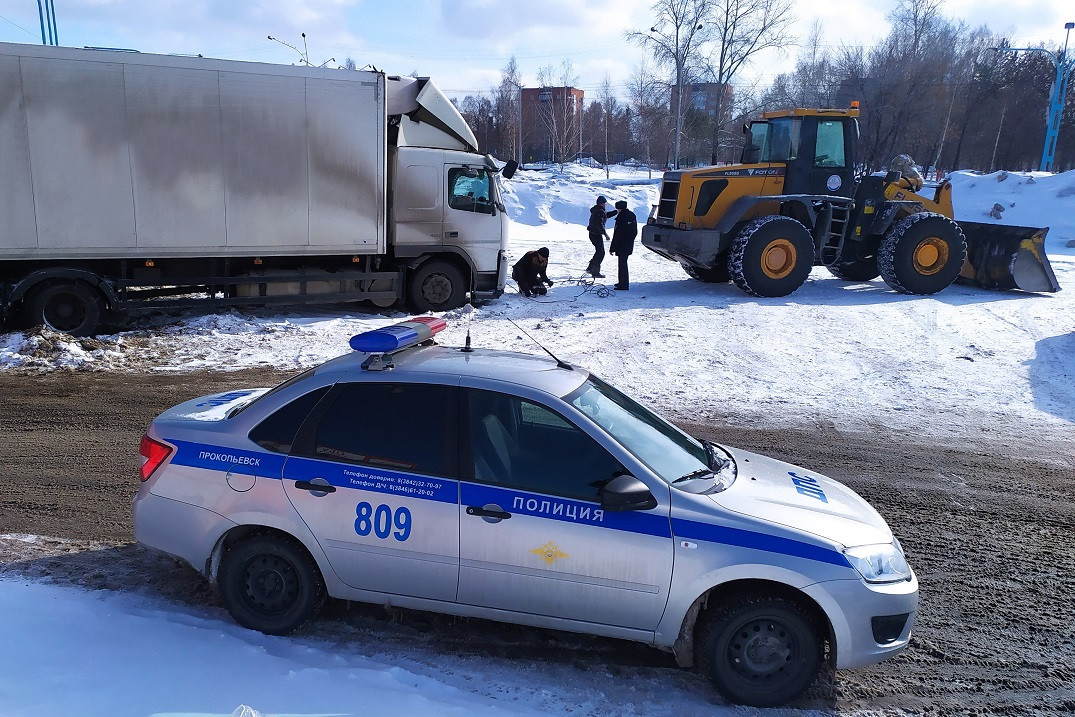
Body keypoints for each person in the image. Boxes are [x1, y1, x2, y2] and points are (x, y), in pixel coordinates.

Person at [586, 195, 617, 278]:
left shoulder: (597, 210)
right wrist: (605, 234)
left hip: (592, 234)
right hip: (596, 234)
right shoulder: (599, 211)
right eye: (604, 203)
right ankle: (595, 271)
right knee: (601, 253)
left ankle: (590, 268)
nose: (605, 205)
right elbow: (599, 225)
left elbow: (606, 215)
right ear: (602, 203)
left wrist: (616, 212)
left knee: (598, 251)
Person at [609, 200, 637, 291]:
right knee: (623, 263)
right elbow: (634, 232)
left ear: (619, 208)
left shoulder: (621, 218)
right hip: (628, 244)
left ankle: (623, 284)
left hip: (621, 245)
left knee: (622, 264)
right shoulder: (632, 216)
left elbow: (617, 234)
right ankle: (622, 282)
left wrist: (612, 248)